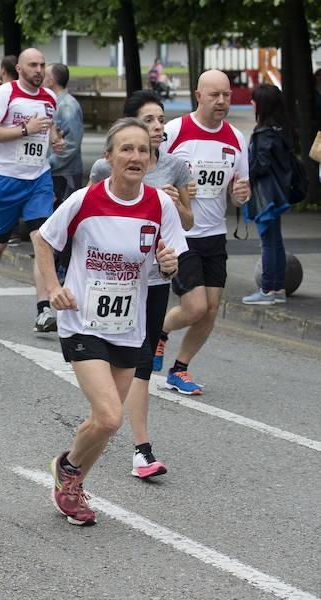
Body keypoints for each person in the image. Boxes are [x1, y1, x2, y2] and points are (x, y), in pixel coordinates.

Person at [33, 118, 186, 525]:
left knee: (106, 421)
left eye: (143, 151)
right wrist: (53, 286)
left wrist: (169, 265)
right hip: (82, 320)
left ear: (152, 160)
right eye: (126, 149)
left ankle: (69, 473)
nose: (135, 156)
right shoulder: (84, 200)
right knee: (110, 416)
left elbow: (167, 261)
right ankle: (71, 476)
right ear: (109, 157)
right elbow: (43, 239)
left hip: (129, 325)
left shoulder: (160, 205)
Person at [89, 90, 193, 479]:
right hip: (110, 283)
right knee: (111, 362)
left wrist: (173, 204)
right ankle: (101, 422)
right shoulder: (104, 170)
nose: (157, 127)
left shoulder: (173, 167)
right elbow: (83, 223)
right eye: (149, 119)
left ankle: (142, 449)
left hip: (151, 282)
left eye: (160, 119)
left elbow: (187, 223)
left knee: (142, 359)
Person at [156, 70, 250, 395]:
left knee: (210, 310)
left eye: (226, 95)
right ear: (198, 95)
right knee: (194, 307)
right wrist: (179, 195)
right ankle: (160, 329)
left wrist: (241, 195)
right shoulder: (174, 132)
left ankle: (179, 369)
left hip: (215, 235)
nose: (222, 101)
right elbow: (152, 176)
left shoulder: (237, 139)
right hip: (181, 235)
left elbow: (239, 190)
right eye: (215, 95)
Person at [0, 48, 66, 330]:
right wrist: (25, 130)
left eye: (42, 65)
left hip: (39, 177)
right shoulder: (5, 94)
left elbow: (47, 126)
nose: (39, 70)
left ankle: (43, 309)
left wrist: (55, 139)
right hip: (6, 178)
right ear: (19, 69)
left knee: (42, 238)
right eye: (33, 65)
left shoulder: (50, 98)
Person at [242, 84, 295, 305]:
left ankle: (268, 290)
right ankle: (278, 288)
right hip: (279, 193)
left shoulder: (264, 134)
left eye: (254, 100)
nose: (251, 103)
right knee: (276, 241)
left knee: (268, 242)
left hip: (266, 196)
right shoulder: (282, 130)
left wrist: (245, 173)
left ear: (262, 104)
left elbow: (260, 165)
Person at [44, 63, 83, 203]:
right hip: (58, 172)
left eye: (44, 75)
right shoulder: (55, 103)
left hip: (65, 174)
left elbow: (71, 144)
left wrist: (48, 164)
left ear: (51, 81)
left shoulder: (67, 106)